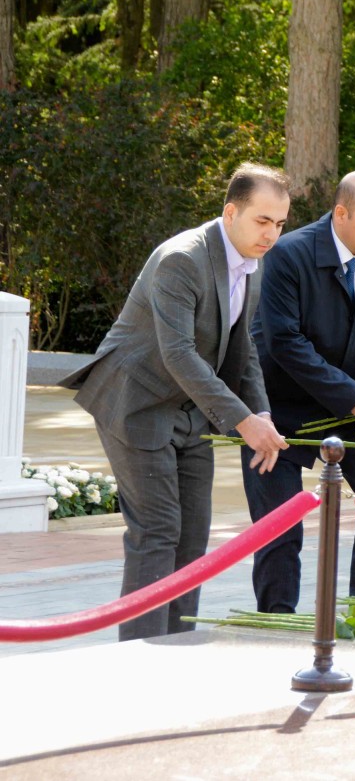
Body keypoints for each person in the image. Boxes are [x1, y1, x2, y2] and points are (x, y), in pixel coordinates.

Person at [60, 163, 291, 640]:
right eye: (262, 221)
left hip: (190, 410)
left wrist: (262, 411)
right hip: (135, 403)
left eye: (280, 223)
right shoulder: (181, 259)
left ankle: (177, 645)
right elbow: (179, 354)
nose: (271, 234)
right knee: (157, 533)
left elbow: (242, 348)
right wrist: (243, 422)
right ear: (231, 212)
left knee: (193, 537)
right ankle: (140, 655)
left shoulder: (251, 261)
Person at [241, 170, 355, 612]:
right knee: (279, 526)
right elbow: (285, 342)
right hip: (274, 410)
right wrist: (353, 397)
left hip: (347, 408)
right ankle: (277, 620)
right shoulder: (288, 254)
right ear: (340, 213)